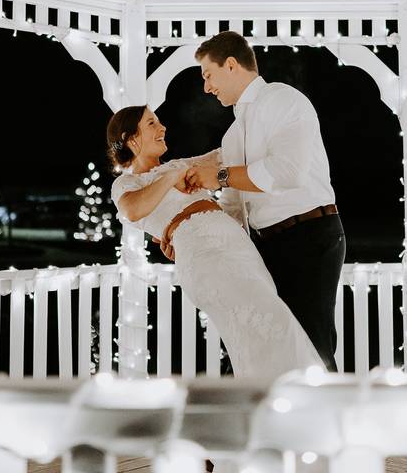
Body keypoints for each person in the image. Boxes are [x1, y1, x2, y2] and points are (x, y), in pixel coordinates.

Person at [106, 105, 322, 378]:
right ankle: (300, 386)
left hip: (238, 246)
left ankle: (281, 397)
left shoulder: (182, 165)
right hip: (204, 253)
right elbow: (133, 210)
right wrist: (171, 177)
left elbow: (228, 154)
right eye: (152, 124)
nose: (163, 129)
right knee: (260, 321)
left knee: (265, 320)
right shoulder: (127, 185)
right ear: (131, 139)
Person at [182, 31, 346, 372]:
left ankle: (326, 416)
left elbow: (288, 172)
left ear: (230, 65)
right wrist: (186, 235)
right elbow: (232, 211)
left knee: (310, 343)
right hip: (266, 246)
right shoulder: (230, 136)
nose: (206, 88)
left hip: (310, 233)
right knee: (265, 340)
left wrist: (222, 176)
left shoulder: (283, 100)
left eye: (207, 75)